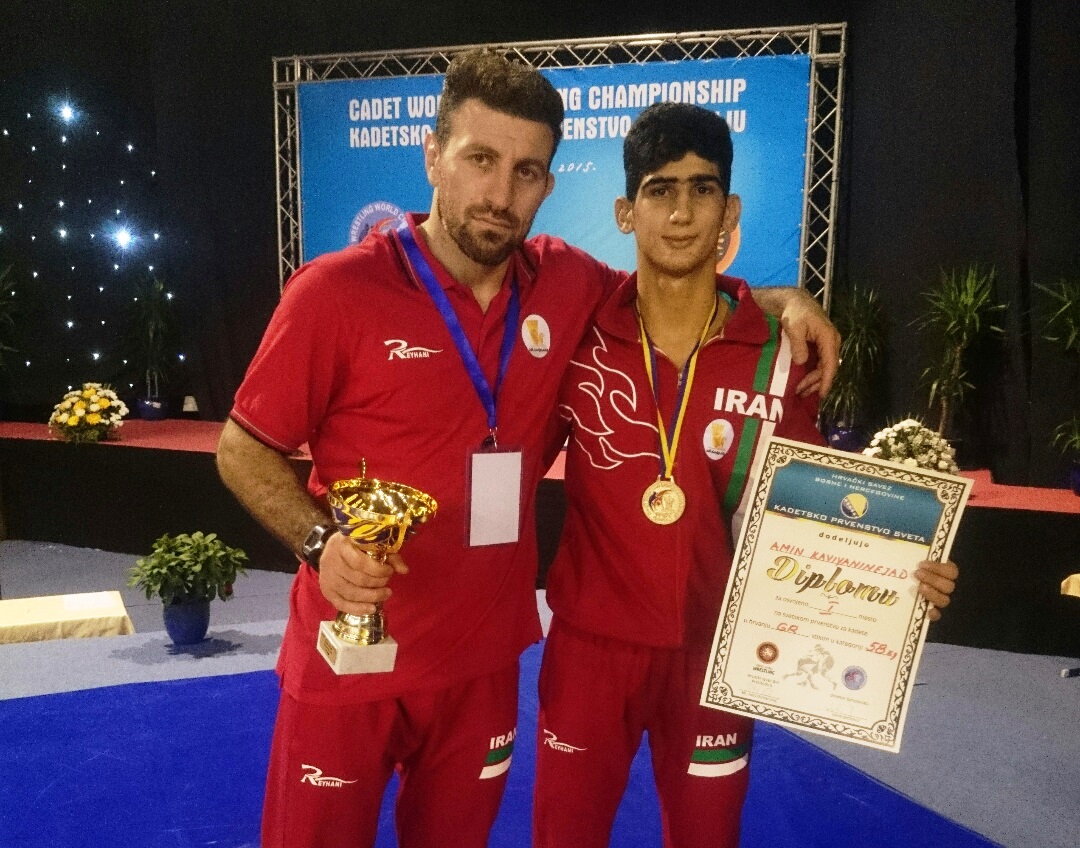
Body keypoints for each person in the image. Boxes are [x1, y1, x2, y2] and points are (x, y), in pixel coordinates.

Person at [216, 51, 840, 848]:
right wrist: (318, 543)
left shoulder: (568, 286)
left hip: (482, 665)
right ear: (433, 157)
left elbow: (675, 284)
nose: (500, 193)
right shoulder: (334, 291)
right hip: (352, 655)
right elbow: (241, 448)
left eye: (526, 171)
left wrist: (785, 299)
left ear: (548, 184)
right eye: (480, 160)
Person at [532, 102, 960, 848]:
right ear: (626, 213)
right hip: (591, 652)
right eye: (660, 190)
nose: (681, 213)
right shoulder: (581, 334)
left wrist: (902, 577)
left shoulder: (779, 357)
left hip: (720, 658)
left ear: (728, 210)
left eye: (702, 190)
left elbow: (820, 519)